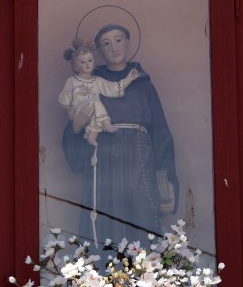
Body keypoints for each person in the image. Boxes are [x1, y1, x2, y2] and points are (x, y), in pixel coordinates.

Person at [62, 23, 178, 247]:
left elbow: (161, 134)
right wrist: (76, 126)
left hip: (140, 165)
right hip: (105, 166)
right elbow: (75, 126)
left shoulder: (144, 86)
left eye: (118, 40)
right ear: (99, 52)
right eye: (106, 43)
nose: (114, 47)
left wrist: (166, 180)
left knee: (141, 227)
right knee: (106, 225)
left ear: (128, 42)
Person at [58, 39, 139, 147]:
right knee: (96, 103)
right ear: (75, 65)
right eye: (82, 62)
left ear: (94, 62)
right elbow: (63, 99)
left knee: (96, 113)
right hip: (79, 113)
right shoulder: (72, 81)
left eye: (90, 60)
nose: (87, 64)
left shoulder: (97, 81)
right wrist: (76, 93)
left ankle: (91, 136)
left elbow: (113, 88)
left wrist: (129, 78)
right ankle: (106, 124)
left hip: (94, 112)